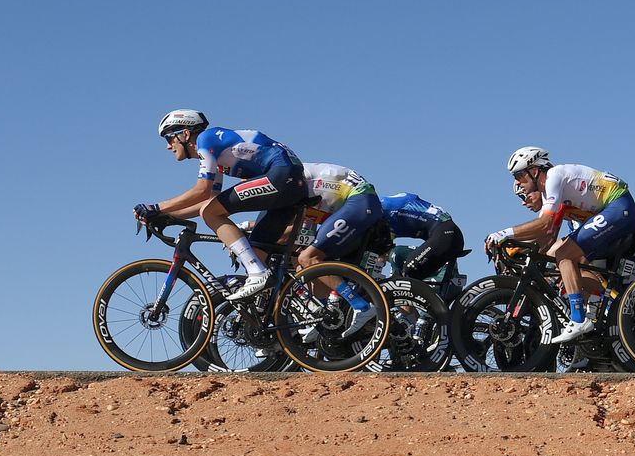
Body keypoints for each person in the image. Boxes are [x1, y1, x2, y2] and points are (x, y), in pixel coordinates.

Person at [135, 110, 306, 301]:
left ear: (185, 134)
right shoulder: (215, 153)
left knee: (213, 215)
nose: (168, 147)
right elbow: (208, 200)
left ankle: (258, 273)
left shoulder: (206, 140)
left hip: (282, 175)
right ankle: (290, 310)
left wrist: (157, 207)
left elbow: (202, 191)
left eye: (169, 139)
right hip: (290, 182)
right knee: (256, 252)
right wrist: (170, 217)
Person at [488, 147, 635, 344]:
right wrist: (523, 255)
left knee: (565, 254)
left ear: (534, 171)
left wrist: (503, 234)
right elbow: (549, 235)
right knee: (568, 262)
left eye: (519, 175)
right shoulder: (551, 192)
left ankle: (579, 319)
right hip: (613, 212)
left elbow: (544, 225)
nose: (517, 182)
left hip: (619, 206)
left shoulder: (554, 177)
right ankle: (599, 305)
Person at [295, 162, 384, 338]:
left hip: (359, 201)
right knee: (304, 269)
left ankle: (361, 307)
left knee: (308, 258)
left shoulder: (289, 179)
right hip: (356, 208)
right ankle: (326, 317)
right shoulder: (295, 187)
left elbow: (289, 227)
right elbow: (301, 227)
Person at [381, 192, 466, 280]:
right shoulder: (386, 214)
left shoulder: (386, 209)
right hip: (449, 234)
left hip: (445, 234)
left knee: (407, 272)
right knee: (413, 277)